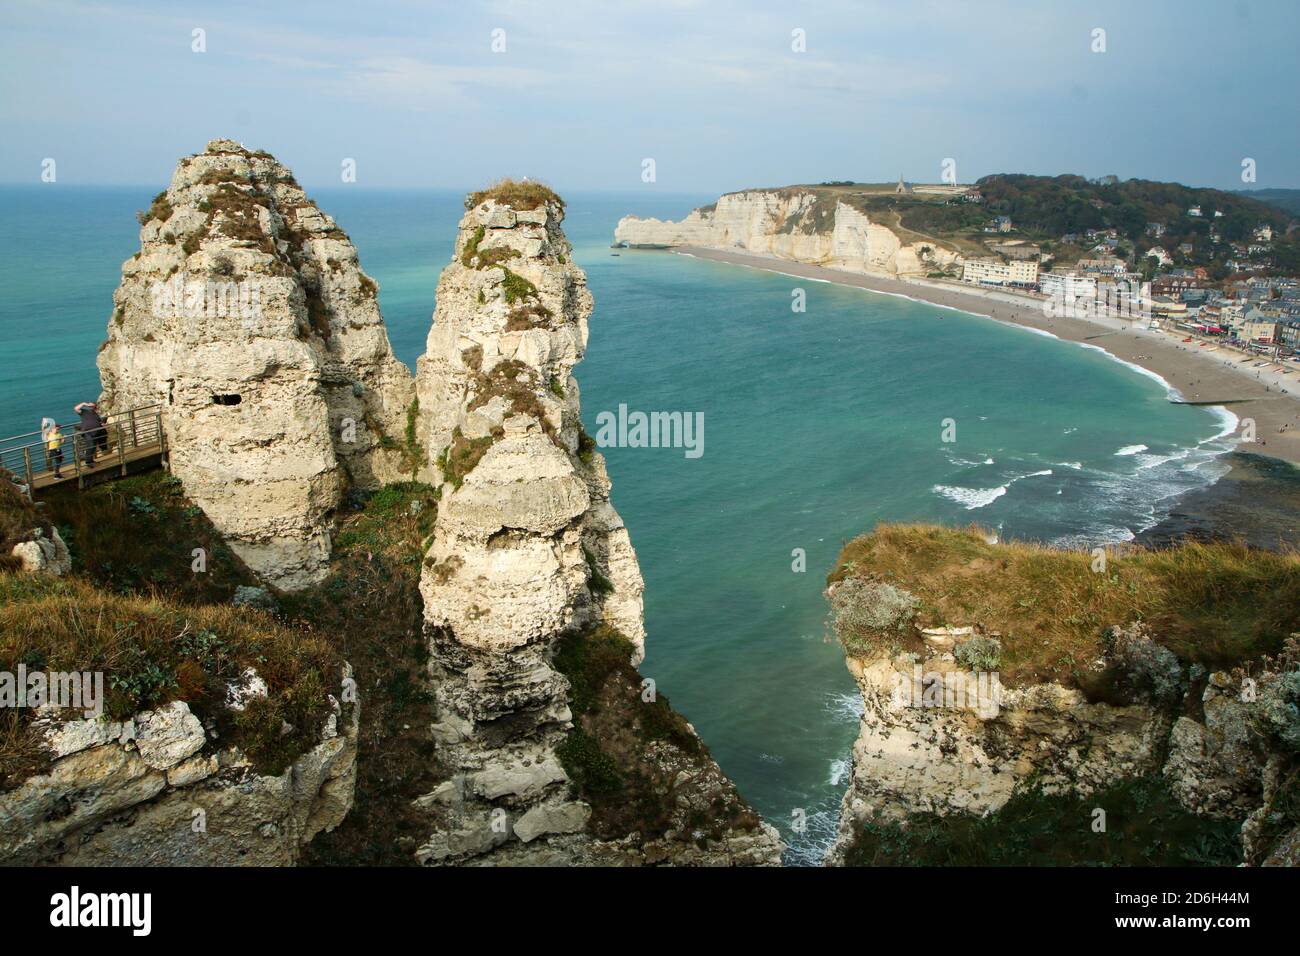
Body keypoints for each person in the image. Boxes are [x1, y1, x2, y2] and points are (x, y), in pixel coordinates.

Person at [74, 401, 108, 466]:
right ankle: (89, 462)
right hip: (87, 432)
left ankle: (91, 460)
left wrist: (103, 424)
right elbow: (76, 408)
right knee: (91, 446)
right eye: (90, 406)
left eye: (93, 406)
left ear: (95, 407)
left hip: (95, 432)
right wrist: (84, 403)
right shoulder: (84, 412)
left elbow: (99, 422)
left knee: (93, 447)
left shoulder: (95, 414)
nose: (91, 408)